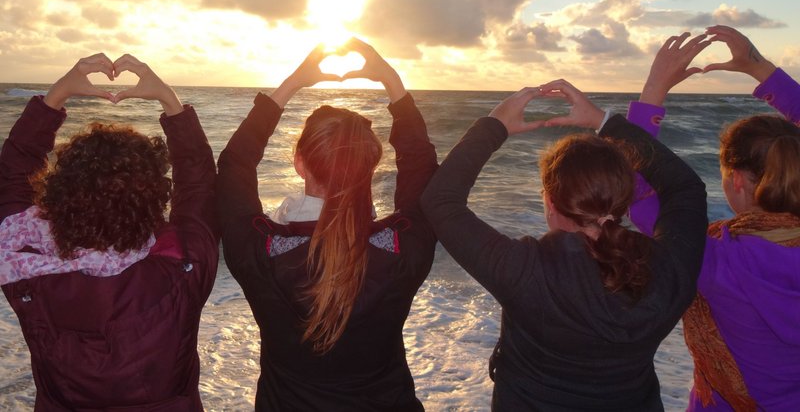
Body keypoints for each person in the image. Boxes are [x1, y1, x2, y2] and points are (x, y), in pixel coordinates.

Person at [420, 78, 708, 410]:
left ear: (550, 203)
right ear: (624, 203)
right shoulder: (668, 270)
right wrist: (604, 121)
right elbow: (685, 187)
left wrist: (495, 124)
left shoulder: (525, 271)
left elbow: (440, 200)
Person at [216, 39, 438, 410]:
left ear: (300, 163)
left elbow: (234, 166)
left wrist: (291, 85)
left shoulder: (260, 251)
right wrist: (392, 82)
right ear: (370, 166)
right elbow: (421, 172)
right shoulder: (401, 249)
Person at [0, 54, 218, 411]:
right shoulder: (182, 269)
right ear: (152, 200)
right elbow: (199, 190)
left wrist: (56, 96)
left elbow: (11, 179)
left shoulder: (24, 267)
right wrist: (170, 102)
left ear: (58, 199)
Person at [626, 26, 800, 411]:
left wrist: (655, 86)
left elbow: (630, 187)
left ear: (735, 181)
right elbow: (635, 183)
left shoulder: (713, 258)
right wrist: (760, 69)